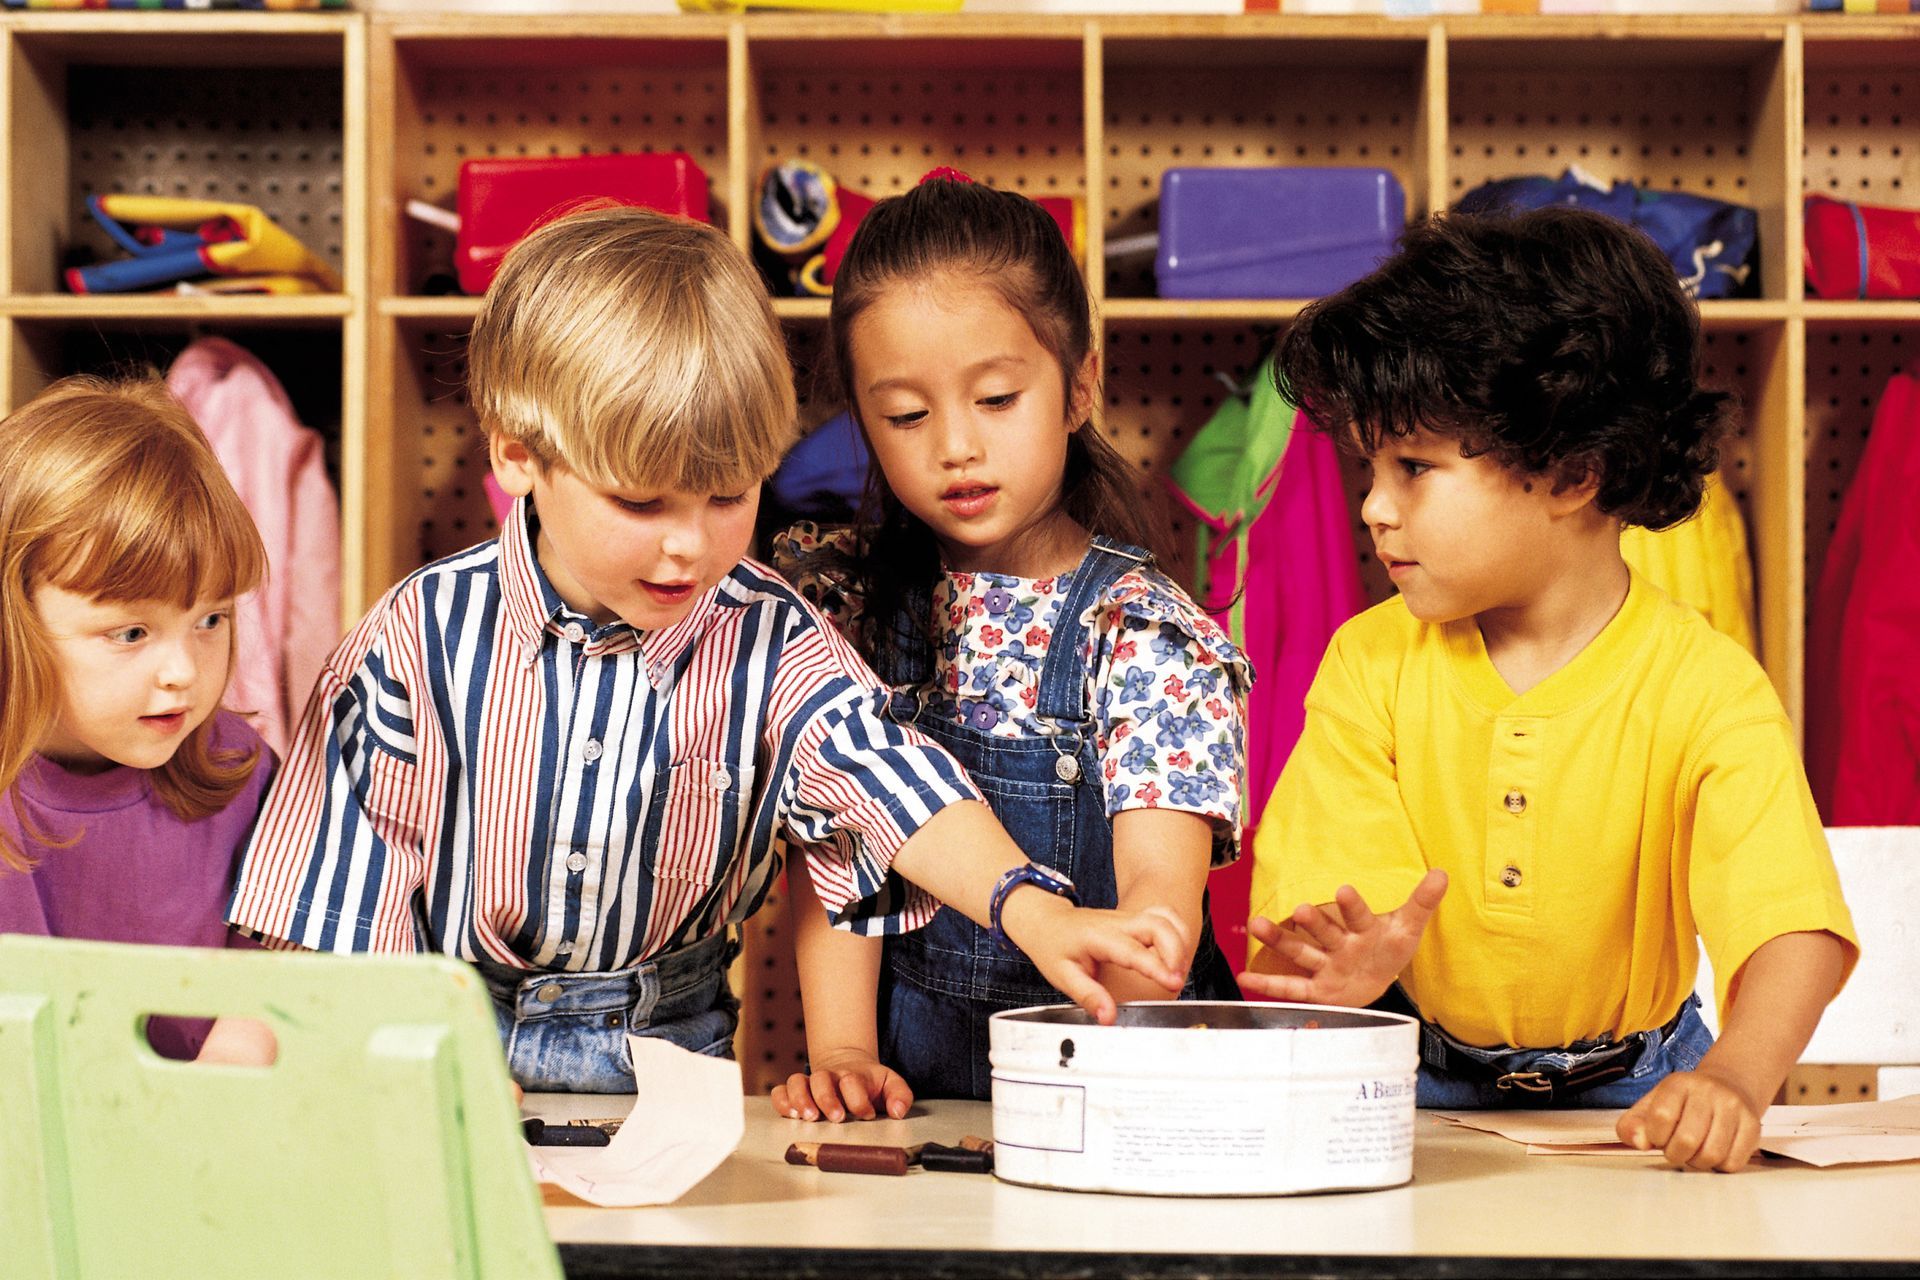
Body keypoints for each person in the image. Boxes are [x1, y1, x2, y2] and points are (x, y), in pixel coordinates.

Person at [226, 205, 1191, 1093]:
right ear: (519, 453)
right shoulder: (413, 642)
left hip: (671, 1053)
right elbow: (341, 906)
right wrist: (389, 1078)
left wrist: (1033, 909)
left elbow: (886, 776)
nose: (689, 544)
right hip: (434, 1033)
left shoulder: (770, 632)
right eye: (640, 502)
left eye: (729, 496)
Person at [1243, 208, 1858, 1173]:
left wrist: (1736, 1079)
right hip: (1418, 1083)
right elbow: (1332, 906)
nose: (1372, 506)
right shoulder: (1370, 662)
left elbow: (1792, 924)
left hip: (1647, 1095)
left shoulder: (1707, 688)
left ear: (1574, 471)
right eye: (1370, 467)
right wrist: (1342, 971)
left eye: (1415, 468)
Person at [772, 173, 1249, 1116]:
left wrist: (1136, 955)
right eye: (905, 415)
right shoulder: (847, 613)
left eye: (995, 399)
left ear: (1079, 387)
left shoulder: (1142, 634)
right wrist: (843, 1049)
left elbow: (1158, 914)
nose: (955, 445)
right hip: (929, 1095)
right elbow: (836, 834)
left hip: (1125, 1076)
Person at [0, 377, 274, 1062]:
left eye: (210, 619)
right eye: (129, 633)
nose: (183, 671)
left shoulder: (241, 766)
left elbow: (279, 993)